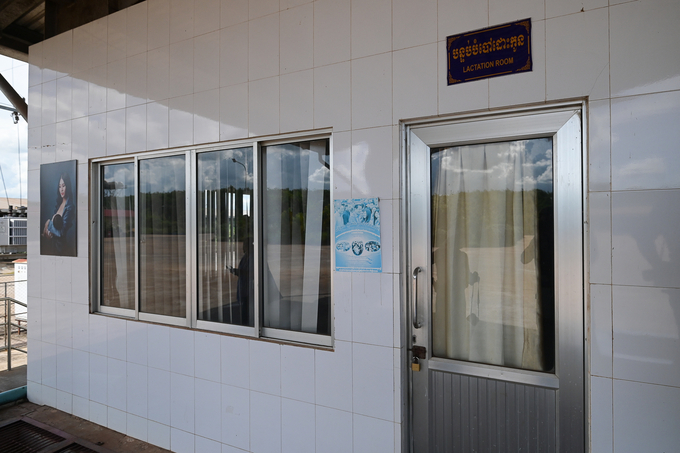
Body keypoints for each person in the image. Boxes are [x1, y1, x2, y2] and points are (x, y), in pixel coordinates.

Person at [42, 172, 75, 255]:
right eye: (59, 187)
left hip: (61, 248)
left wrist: (48, 223)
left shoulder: (69, 206)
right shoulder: (59, 205)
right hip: (52, 245)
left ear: (68, 186)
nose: (62, 189)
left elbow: (61, 232)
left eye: (63, 186)